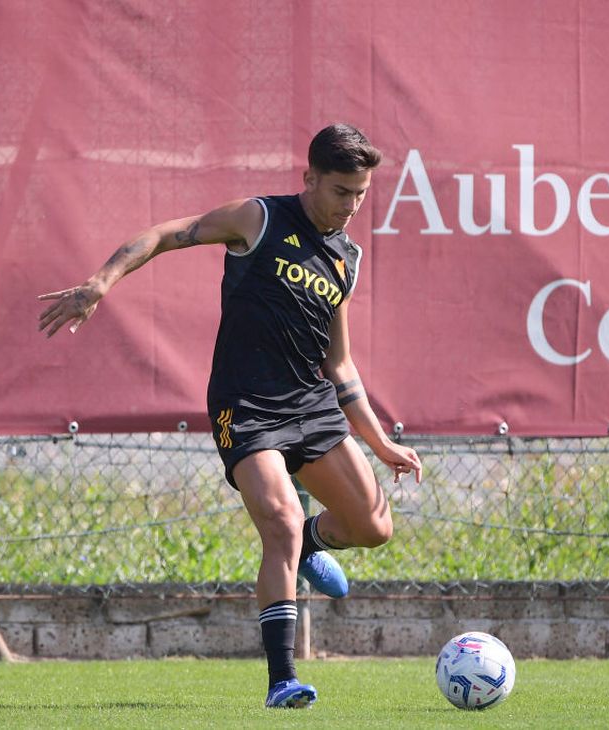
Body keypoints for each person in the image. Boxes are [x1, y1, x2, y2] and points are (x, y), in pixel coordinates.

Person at [38, 124, 422, 709]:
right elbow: (170, 233)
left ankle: (314, 544)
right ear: (310, 179)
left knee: (374, 528)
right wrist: (101, 282)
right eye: (341, 191)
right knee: (281, 521)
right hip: (245, 407)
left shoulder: (347, 257)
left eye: (362, 194)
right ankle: (282, 680)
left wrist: (381, 443)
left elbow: (340, 365)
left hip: (311, 406)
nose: (351, 206)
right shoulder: (259, 219)